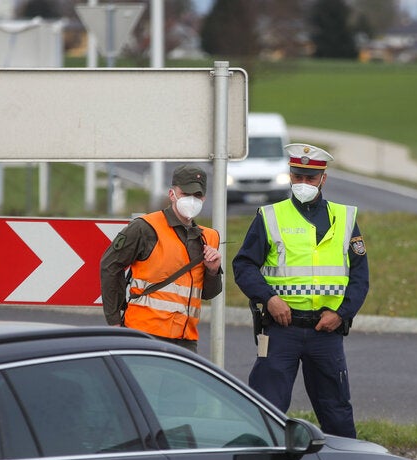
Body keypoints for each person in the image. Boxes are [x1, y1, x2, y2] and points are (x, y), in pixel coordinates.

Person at [232, 143, 369, 438]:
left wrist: (341, 313)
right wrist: (269, 299)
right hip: (282, 329)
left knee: (337, 413)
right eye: (298, 176)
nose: (303, 183)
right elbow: (244, 266)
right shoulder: (270, 216)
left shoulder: (345, 218)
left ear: (323, 179)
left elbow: (360, 276)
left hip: (326, 331)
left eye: (310, 177)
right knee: (266, 409)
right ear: (290, 175)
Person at [100, 164, 222, 353]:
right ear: (172, 194)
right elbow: (110, 266)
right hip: (144, 334)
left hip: (186, 339)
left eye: (197, 196)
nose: (192, 200)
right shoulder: (145, 228)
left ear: (204, 198)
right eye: (185, 194)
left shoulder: (208, 237)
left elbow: (207, 294)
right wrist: (114, 321)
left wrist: (213, 270)